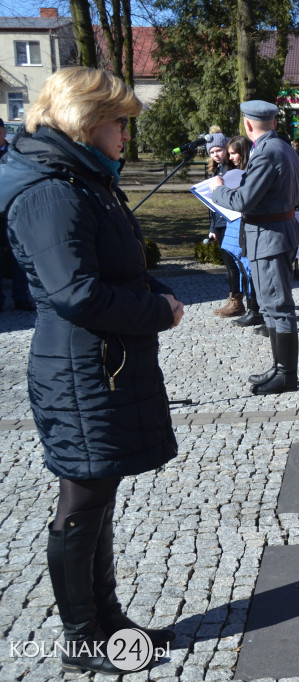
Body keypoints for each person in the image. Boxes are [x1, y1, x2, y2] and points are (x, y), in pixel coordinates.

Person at [0, 66, 183, 675]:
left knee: (97, 495)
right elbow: (76, 293)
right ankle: (82, 639)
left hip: (96, 362)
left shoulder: (81, 178)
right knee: (81, 501)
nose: (125, 133)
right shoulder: (52, 189)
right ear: (85, 120)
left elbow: (117, 265)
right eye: (118, 121)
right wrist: (158, 309)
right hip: (79, 367)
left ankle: (111, 624)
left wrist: (152, 291)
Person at [210, 100, 299, 394]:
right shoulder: (283, 147)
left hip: (269, 236)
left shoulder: (266, 152)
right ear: (273, 122)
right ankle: (279, 368)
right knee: (271, 305)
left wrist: (218, 190)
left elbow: (242, 201)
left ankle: (286, 375)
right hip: (274, 233)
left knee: (277, 306)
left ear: (248, 125)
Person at [222, 135, 265, 332]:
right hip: (236, 223)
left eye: (233, 153)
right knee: (244, 269)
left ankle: (257, 311)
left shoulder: (251, 173)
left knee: (252, 269)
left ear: (244, 153)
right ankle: (252, 309)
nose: (230, 157)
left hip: (249, 224)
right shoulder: (236, 172)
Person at [205, 131, 245, 318]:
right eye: (212, 152)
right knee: (229, 264)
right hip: (220, 223)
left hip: (233, 220)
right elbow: (212, 205)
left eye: (219, 150)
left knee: (236, 263)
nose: (216, 155)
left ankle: (238, 301)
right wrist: (212, 228)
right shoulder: (216, 171)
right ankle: (233, 298)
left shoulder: (233, 171)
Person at [0, 116, 35, 313]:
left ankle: (22, 298)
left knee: (19, 259)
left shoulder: (15, 154)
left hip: (14, 214)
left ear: (4, 132)